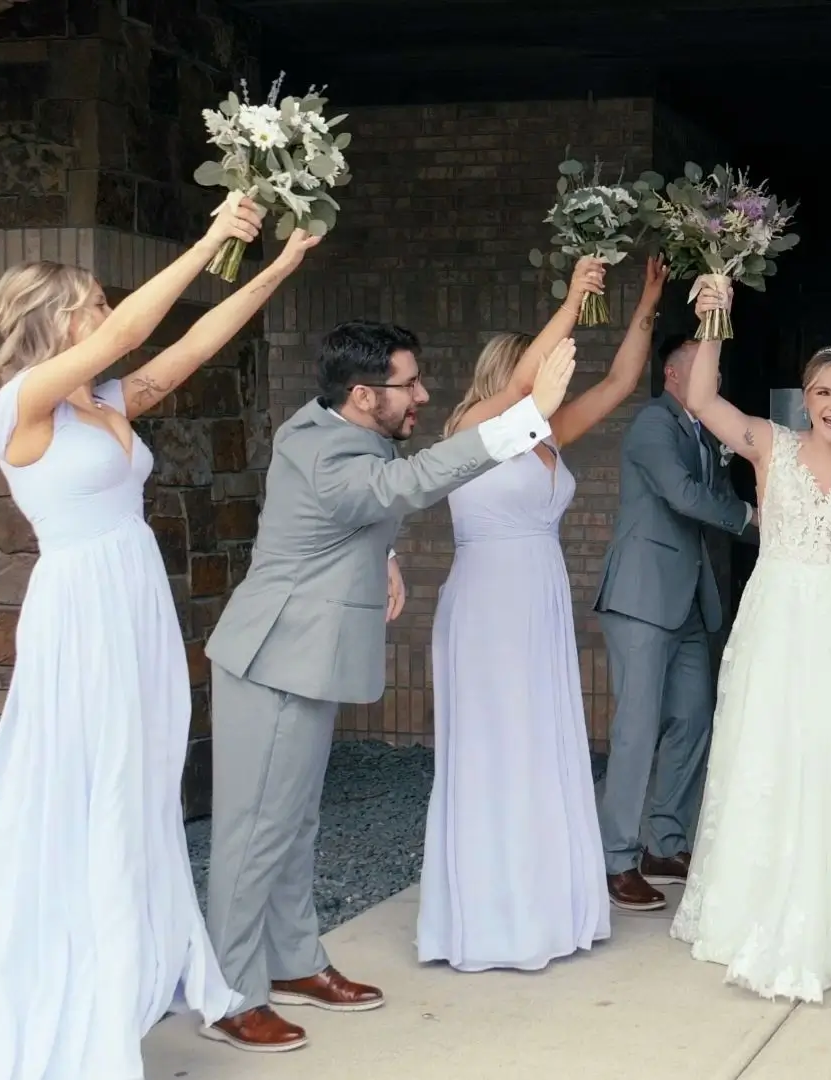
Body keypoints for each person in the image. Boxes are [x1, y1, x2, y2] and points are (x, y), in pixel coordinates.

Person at [0, 195, 301, 1078]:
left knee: (142, 781)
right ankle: (80, 999)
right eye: (97, 304)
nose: (110, 317)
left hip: (134, 600)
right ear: (62, 318)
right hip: (79, 609)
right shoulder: (22, 403)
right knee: (95, 785)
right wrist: (210, 239)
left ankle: (137, 975)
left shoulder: (103, 398)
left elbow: (188, 348)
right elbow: (133, 334)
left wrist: (275, 267)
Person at [199, 318, 577, 1052]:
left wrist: (389, 553)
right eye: (409, 384)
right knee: (253, 836)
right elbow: (399, 485)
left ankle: (293, 959)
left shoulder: (333, 428)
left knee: (293, 823)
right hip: (273, 660)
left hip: (301, 657)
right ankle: (229, 997)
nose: (424, 395)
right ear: (365, 394)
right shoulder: (324, 446)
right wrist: (524, 418)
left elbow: (362, 507)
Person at [665, 279, 831, 1001]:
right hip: (777, 619)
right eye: (823, 393)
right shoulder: (768, 446)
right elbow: (701, 395)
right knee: (769, 750)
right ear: (804, 399)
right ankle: (754, 898)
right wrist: (715, 312)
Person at [418, 255, 667, 972]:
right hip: (489, 603)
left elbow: (621, 382)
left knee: (540, 742)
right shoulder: (472, 424)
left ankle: (547, 903)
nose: (549, 384)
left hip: (541, 600)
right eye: (536, 369)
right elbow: (531, 381)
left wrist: (647, 298)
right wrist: (576, 292)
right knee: (497, 744)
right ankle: (494, 917)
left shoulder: (544, 433)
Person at [593, 321, 759, 913]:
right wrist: (751, 516)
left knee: (693, 719)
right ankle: (617, 858)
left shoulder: (698, 426)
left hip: (689, 599)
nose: (712, 377)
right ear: (673, 373)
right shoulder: (651, 424)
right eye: (701, 367)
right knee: (637, 728)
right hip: (641, 597)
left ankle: (665, 842)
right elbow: (685, 495)